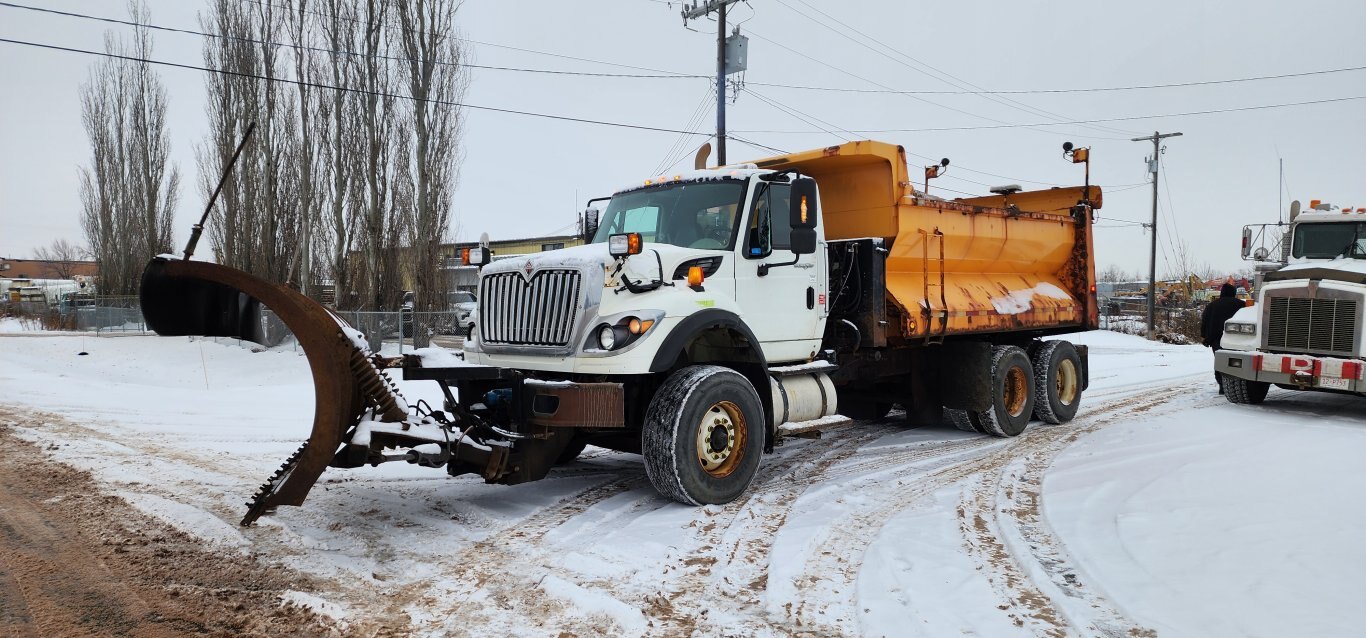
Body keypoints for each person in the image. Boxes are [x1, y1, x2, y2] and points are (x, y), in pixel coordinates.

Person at [1201, 282, 1245, 394]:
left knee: (1220, 361)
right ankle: (1237, 385)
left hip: (1216, 339)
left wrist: (1205, 336)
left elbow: (1205, 321)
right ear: (1233, 293)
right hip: (1237, 339)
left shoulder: (1212, 305)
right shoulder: (1241, 305)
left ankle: (1222, 385)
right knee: (1237, 362)